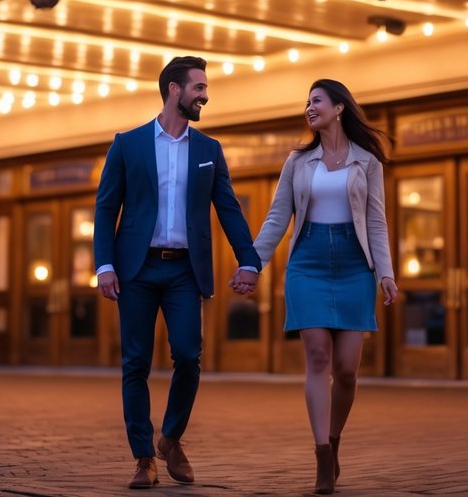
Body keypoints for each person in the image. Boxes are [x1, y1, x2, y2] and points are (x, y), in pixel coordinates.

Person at [94, 55, 261, 489]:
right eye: (199, 87)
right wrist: (105, 264)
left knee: (188, 355)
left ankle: (170, 437)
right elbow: (106, 207)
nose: (205, 94)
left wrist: (248, 258)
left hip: (185, 270)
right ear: (174, 89)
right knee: (135, 363)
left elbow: (228, 206)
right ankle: (143, 458)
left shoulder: (209, 150)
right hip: (136, 269)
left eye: (204, 87)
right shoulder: (127, 144)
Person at [245, 78, 398, 495]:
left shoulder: (367, 163)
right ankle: (321, 458)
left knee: (347, 370)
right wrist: (252, 264)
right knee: (317, 357)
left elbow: (376, 222)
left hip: (353, 265)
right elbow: (278, 217)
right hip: (308, 262)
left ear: (339, 107)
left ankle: (334, 440)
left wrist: (385, 272)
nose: (309, 108)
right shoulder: (298, 162)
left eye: (317, 101)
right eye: (307, 102)